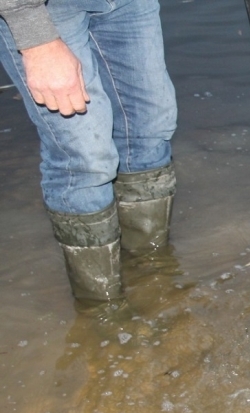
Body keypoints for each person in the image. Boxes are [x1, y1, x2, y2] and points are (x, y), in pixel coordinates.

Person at [0, 0, 177, 301]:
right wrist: (33, 34)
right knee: (86, 159)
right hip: (45, 9)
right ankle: (102, 313)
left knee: (149, 133)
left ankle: (152, 278)